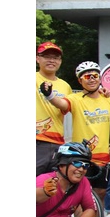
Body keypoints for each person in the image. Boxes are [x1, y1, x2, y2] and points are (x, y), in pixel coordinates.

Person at [40, 61, 110, 202]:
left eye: (95, 76)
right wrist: (50, 95)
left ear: (100, 79)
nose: (92, 79)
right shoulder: (74, 99)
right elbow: (62, 104)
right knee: (79, 195)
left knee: (100, 194)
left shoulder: (109, 100)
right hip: (82, 157)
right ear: (80, 80)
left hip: (103, 157)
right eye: (87, 77)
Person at [36, 42, 72, 175]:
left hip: (57, 143)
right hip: (37, 141)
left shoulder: (65, 86)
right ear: (37, 58)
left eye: (56, 57)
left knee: (53, 187)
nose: (51, 60)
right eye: (47, 56)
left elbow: (66, 107)